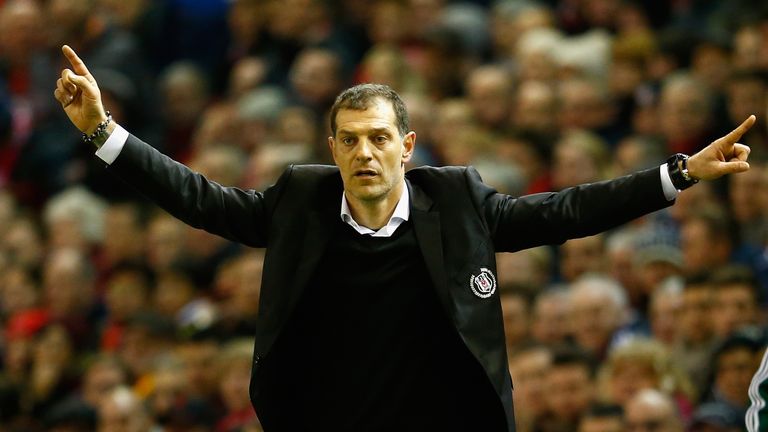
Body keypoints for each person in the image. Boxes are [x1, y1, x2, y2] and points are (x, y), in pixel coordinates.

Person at [53, 44, 755, 431]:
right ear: (332, 147)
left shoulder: (458, 203)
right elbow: (198, 198)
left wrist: (680, 173)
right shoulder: (299, 200)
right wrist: (101, 131)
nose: (365, 153)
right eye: (351, 140)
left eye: (380, 139)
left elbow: (567, 210)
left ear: (407, 146)